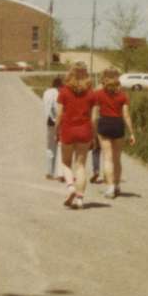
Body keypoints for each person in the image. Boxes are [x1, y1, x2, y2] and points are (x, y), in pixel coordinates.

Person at [55, 62, 97, 210]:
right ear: (86, 74)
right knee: (80, 166)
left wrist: (56, 130)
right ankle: (80, 199)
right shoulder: (92, 93)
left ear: (71, 73)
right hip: (85, 130)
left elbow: (59, 114)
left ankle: (70, 186)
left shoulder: (64, 92)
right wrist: (94, 136)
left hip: (67, 129)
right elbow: (93, 119)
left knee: (65, 163)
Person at [92, 68, 137, 198]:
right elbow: (126, 115)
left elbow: (94, 115)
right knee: (117, 159)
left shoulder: (98, 94)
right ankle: (117, 185)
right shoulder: (123, 95)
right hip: (118, 125)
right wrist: (132, 133)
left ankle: (110, 188)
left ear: (103, 79)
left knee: (107, 158)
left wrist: (94, 132)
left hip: (104, 124)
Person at [42, 77, 63, 180]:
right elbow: (57, 108)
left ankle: (49, 172)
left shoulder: (46, 92)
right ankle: (60, 174)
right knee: (60, 146)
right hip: (58, 121)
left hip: (48, 121)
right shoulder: (59, 93)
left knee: (50, 147)